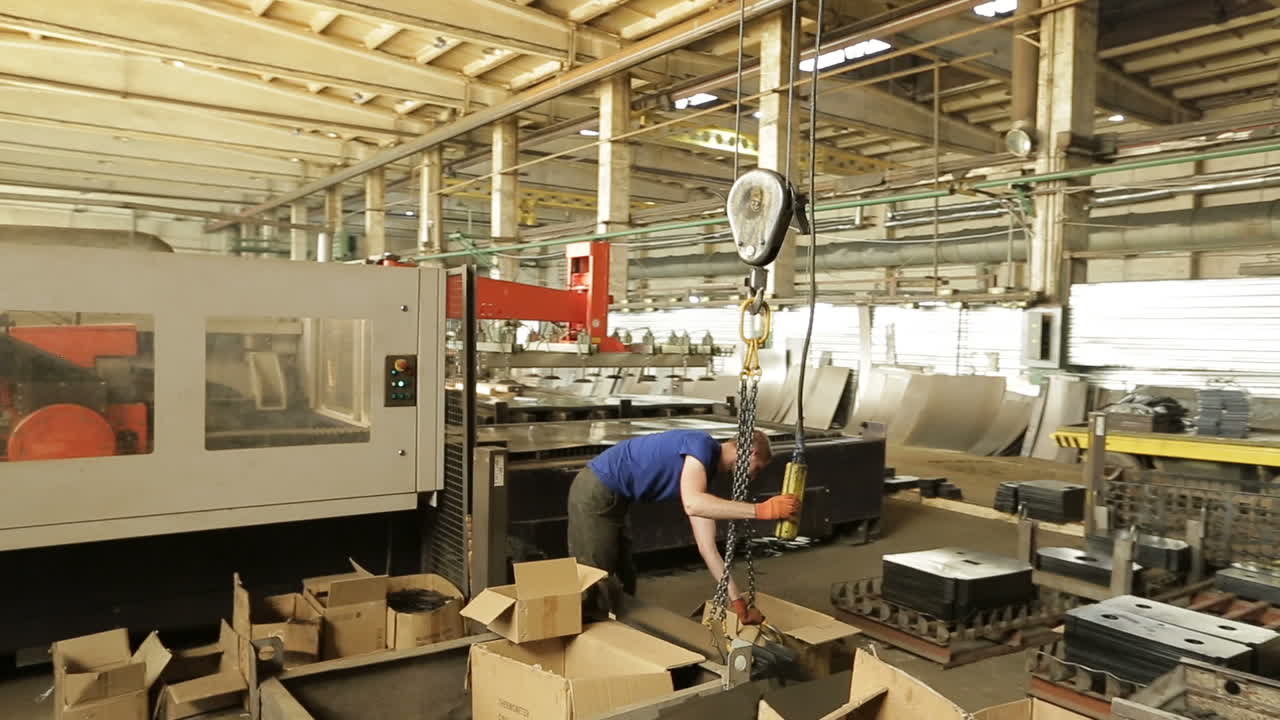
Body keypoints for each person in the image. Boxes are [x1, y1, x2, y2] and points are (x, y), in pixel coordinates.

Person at [567, 428, 799, 625]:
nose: (754, 477)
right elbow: (692, 504)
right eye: (757, 468)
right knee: (594, 578)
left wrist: (736, 601)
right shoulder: (701, 445)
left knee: (625, 577)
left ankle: (623, 638)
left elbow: (707, 547)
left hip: (615, 499)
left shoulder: (703, 471)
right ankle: (579, 647)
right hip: (596, 489)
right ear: (751, 452)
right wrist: (761, 510)